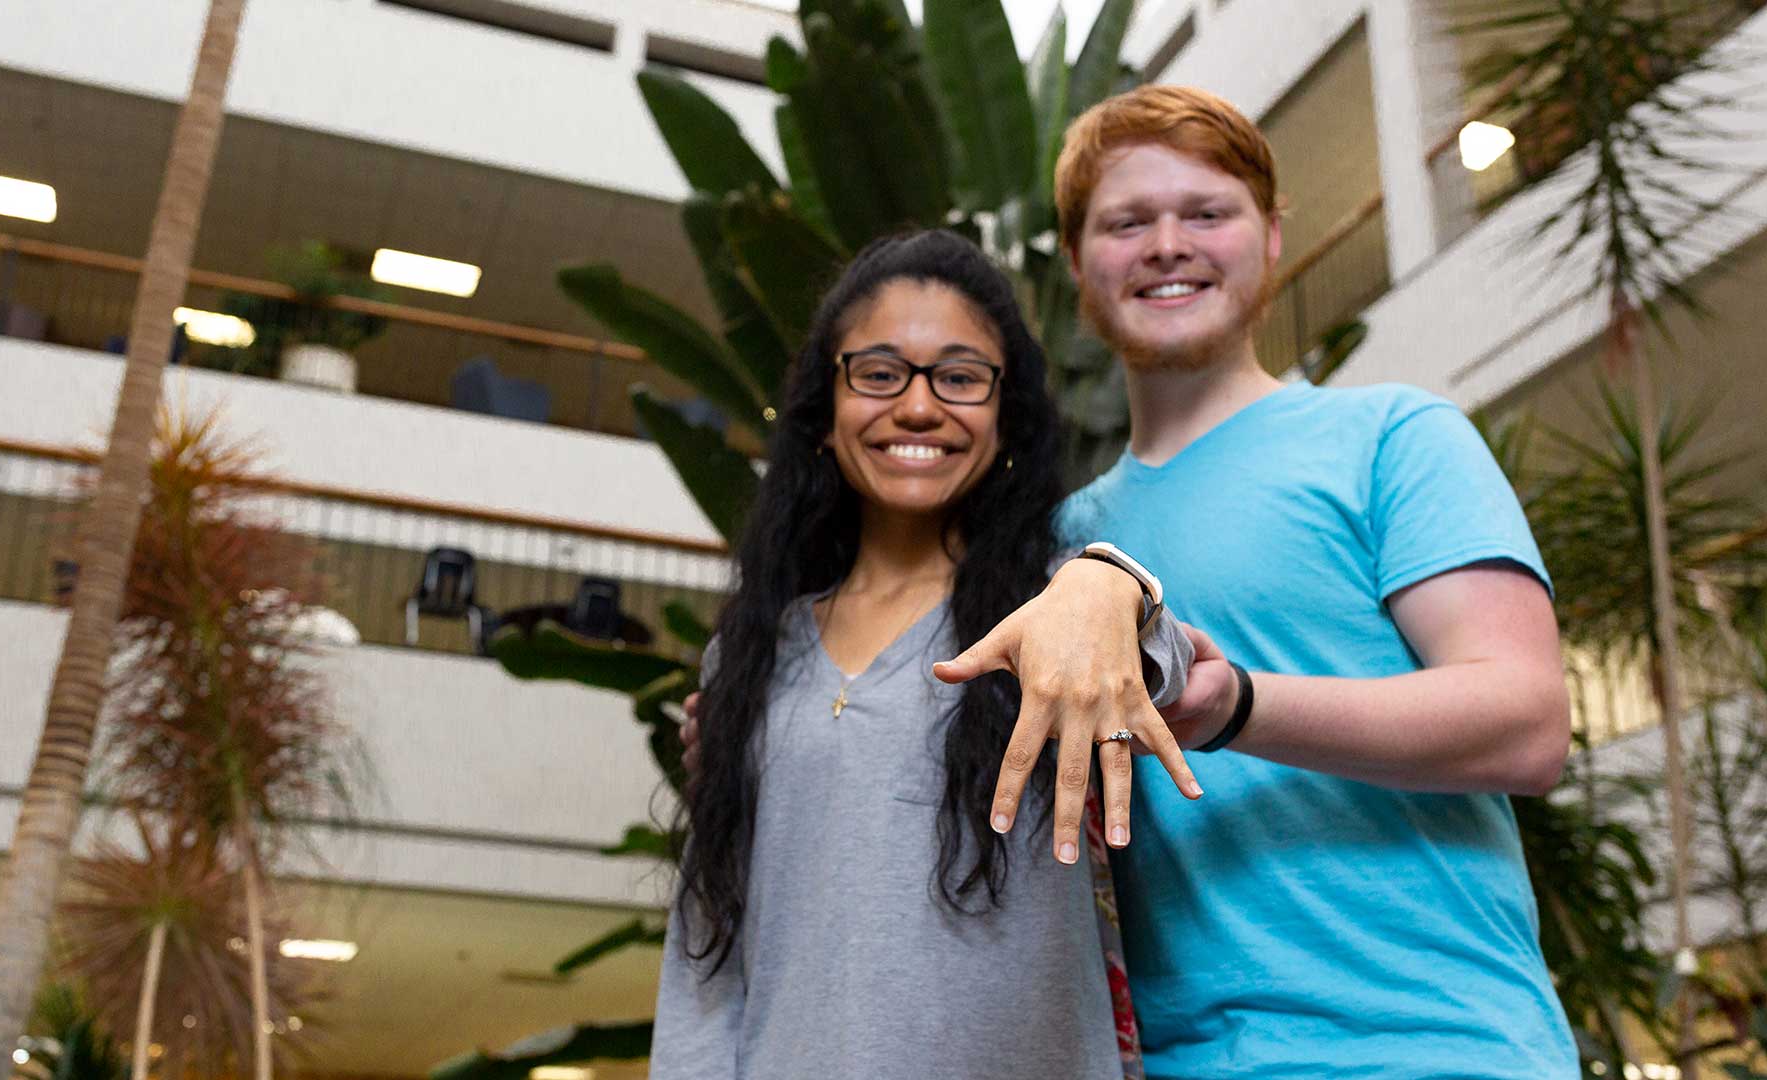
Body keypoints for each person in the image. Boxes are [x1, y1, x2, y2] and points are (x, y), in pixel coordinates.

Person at [933, 85, 1579, 1077]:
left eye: (1206, 212)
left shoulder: (1394, 439)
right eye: (1127, 222)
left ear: (1271, 237)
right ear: (1075, 264)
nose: (1166, 244)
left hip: (1434, 1049)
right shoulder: (1055, 548)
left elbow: (1528, 723)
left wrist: (1238, 706)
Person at [649, 229, 1200, 1080]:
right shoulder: (751, 652)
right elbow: (707, 954)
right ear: (825, 414)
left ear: (1004, 416)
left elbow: (1162, 661)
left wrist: (1108, 584)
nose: (916, 407)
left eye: (959, 377)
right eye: (877, 372)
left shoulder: (1052, 609)